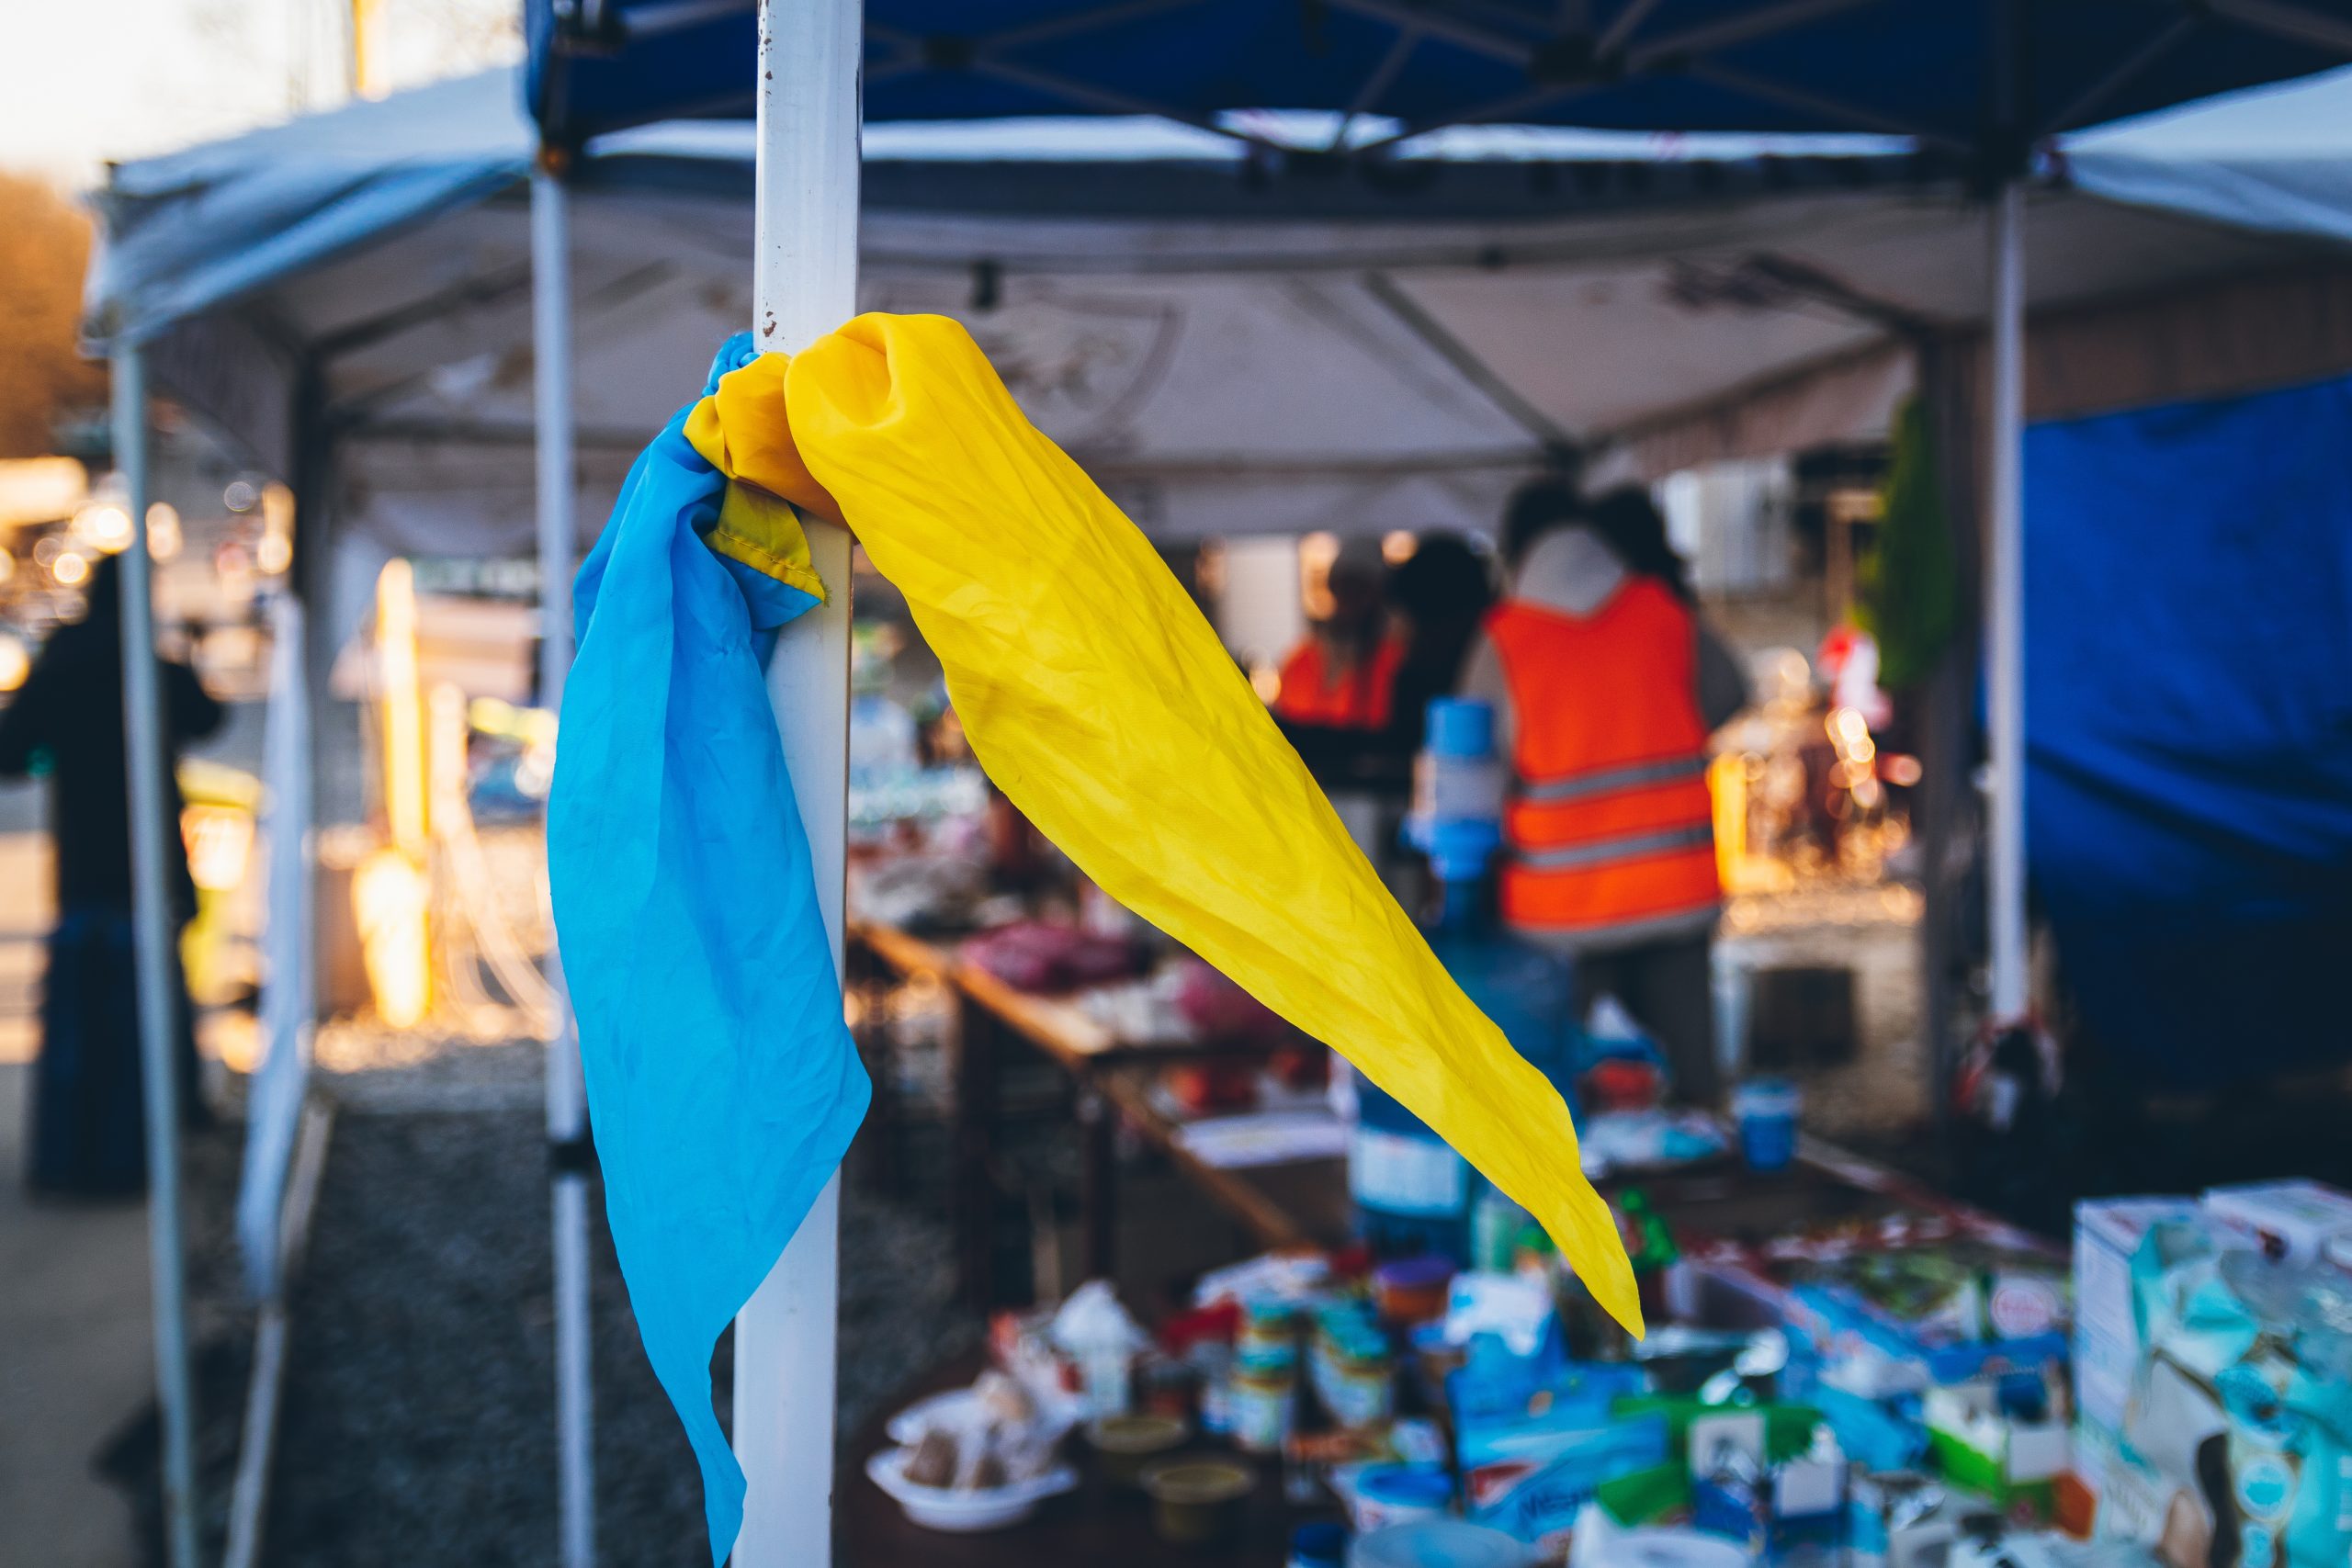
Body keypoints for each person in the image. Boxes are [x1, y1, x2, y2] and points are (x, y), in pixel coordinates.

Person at [1460, 481, 1748, 1105]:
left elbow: (1473, 773)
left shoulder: (1504, 639)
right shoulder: (1662, 612)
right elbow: (1730, 690)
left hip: (1562, 915)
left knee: (1583, 1102)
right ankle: (1696, 1197)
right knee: (1690, 1097)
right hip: (1675, 893)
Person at [0, 553, 220, 1194]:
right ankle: (138, 1150)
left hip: (84, 868)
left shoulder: (62, 662)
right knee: (145, 1009)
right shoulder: (149, 663)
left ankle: (75, 1158)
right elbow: (207, 720)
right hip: (145, 863)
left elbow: (12, 753)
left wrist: (57, 753)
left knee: (80, 1021)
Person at [1272, 536, 1404, 731]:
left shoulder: (1392, 659)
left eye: (1362, 588)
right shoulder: (1300, 659)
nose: (1351, 596)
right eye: (1345, 585)